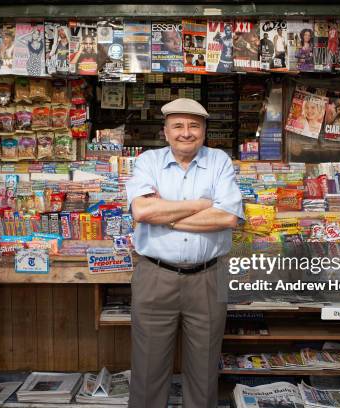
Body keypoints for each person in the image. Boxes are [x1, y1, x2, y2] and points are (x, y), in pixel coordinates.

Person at [126, 98, 244, 408]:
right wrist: (202, 204)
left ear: (204, 131)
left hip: (207, 277)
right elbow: (142, 210)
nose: (186, 132)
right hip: (155, 275)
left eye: (194, 126)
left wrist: (167, 214)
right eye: (178, 125)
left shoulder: (219, 161)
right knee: (147, 368)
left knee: (204, 370)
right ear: (165, 132)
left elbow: (227, 218)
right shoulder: (148, 161)